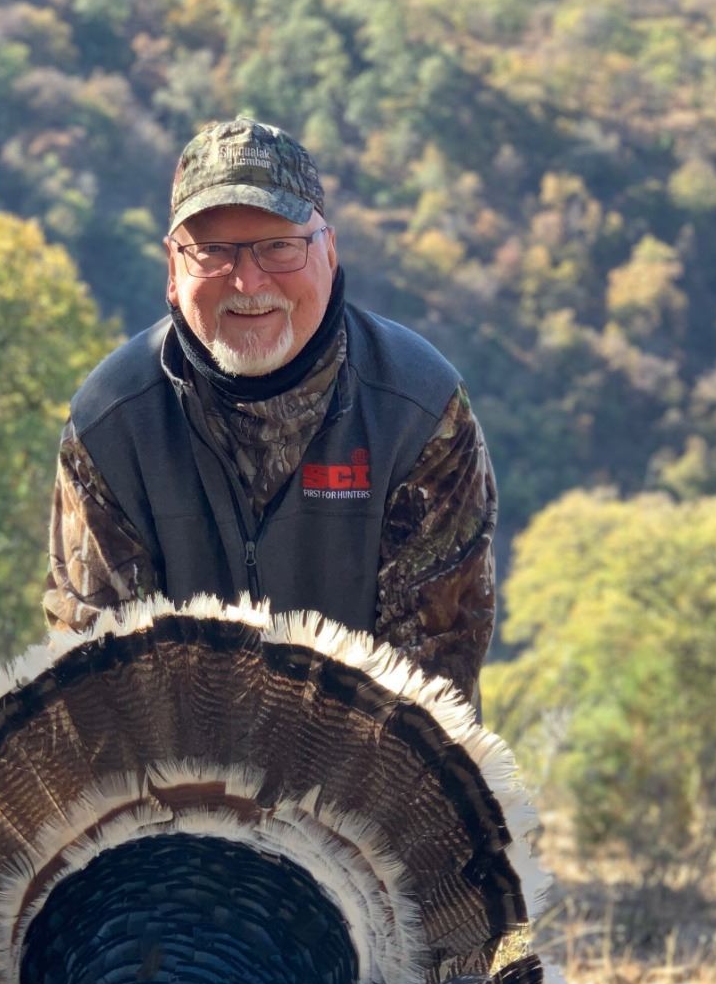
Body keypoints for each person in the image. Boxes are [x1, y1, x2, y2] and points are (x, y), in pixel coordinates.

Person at [43, 119, 497, 702]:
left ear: (329, 252)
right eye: (212, 250)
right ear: (173, 270)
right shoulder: (111, 424)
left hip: (374, 755)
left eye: (279, 246)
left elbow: (428, 688)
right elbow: (103, 689)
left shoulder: (420, 413)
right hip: (171, 757)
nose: (247, 280)